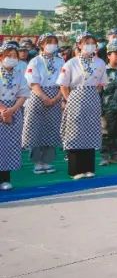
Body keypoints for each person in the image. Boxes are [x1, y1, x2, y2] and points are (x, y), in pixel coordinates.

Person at [57, 33, 107, 178]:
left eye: (93, 43)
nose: (90, 45)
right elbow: (63, 84)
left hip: (92, 98)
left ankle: (88, 168)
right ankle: (75, 170)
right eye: (86, 43)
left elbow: (101, 84)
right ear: (79, 45)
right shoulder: (71, 63)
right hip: (75, 98)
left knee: (90, 131)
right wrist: (68, 99)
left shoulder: (100, 63)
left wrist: (92, 94)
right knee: (76, 132)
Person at [23, 33, 64, 174]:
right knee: (36, 129)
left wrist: (57, 97)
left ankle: (47, 161)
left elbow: (64, 81)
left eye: (54, 42)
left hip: (56, 95)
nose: (52, 45)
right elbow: (32, 82)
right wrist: (45, 97)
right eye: (48, 42)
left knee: (52, 129)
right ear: (41, 44)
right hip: (38, 96)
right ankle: (37, 162)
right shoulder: (35, 61)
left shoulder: (60, 61)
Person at [1, 41, 30, 190]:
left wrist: (12, 110)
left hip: (14, 111)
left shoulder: (19, 75)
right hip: (1, 110)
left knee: (9, 146)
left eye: (14, 56)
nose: (12, 58)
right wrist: (3, 111)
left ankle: (5, 179)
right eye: (8, 55)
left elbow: (23, 94)